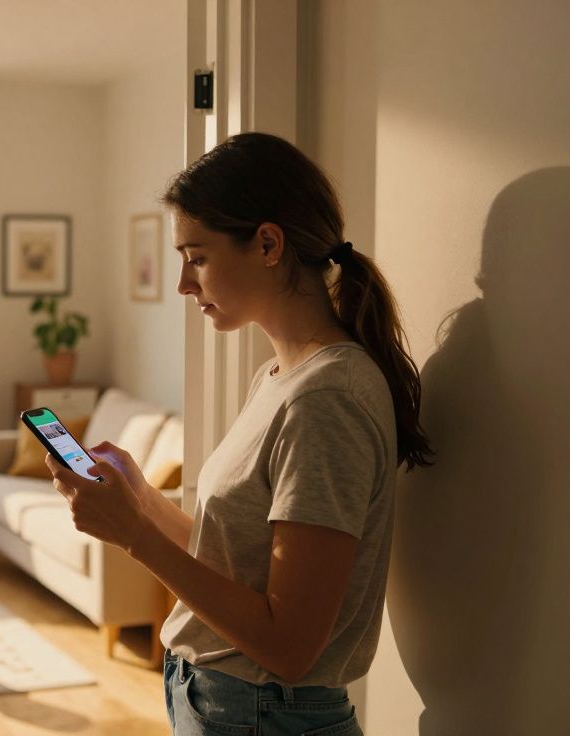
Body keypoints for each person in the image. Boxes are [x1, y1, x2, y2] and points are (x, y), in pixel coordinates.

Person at [46, 132, 432, 736]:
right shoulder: (279, 377)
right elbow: (235, 562)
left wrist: (135, 538)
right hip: (226, 704)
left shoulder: (326, 397)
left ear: (269, 244)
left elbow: (289, 646)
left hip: (260, 716)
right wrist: (142, 501)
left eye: (196, 257)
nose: (182, 283)